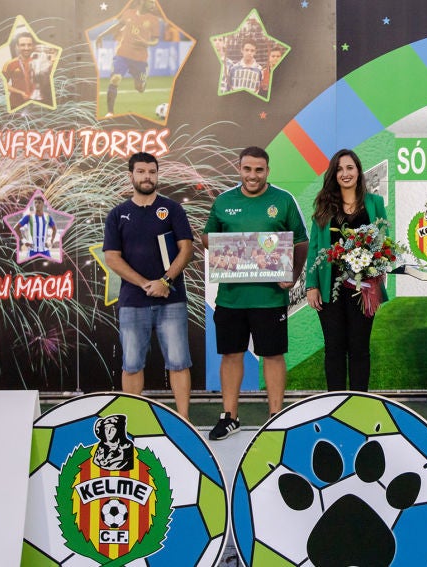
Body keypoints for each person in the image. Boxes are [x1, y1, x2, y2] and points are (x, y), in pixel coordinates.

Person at [203, 146, 309, 440]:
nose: (252, 175)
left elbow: (300, 242)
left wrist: (293, 274)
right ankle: (229, 416)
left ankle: (275, 417)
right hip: (231, 297)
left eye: (258, 170)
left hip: (269, 298)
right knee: (231, 354)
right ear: (239, 169)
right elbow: (206, 238)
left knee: (273, 355)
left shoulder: (283, 200)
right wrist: (233, 252)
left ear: (267, 171)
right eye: (247, 169)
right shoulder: (224, 201)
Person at [103, 152, 194, 420]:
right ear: (130, 175)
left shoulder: (172, 209)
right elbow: (112, 257)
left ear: (157, 174)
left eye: (152, 172)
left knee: (179, 363)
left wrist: (165, 281)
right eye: (141, 172)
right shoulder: (118, 214)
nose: (147, 177)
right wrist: (146, 284)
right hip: (133, 300)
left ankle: (185, 420)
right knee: (131, 365)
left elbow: (186, 249)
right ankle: (131, 421)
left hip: (172, 299)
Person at [306, 149, 387, 392]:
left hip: (364, 287)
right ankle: (336, 404)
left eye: (350, 168)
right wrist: (312, 285)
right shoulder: (323, 206)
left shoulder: (374, 203)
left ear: (358, 171)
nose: (345, 173)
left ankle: (359, 403)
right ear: (334, 174)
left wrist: (377, 266)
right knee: (334, 347)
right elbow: (313, 248)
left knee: (360, 347)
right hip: (331, 287)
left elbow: (384, 241)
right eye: (339, 169)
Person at [96, 0, 162, 117]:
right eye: (151, 2)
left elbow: (156, 40)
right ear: (142, 2)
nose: (153, 5)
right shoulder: (128, 13)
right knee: (115, 79)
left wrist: (145, 42)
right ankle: (110, 112)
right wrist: (101, 35)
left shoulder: (154, 20)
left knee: (140, 88)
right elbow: (118, 26)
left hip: (140, 59)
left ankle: (142, 81)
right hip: (122, 55)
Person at [2, 32, 39, 109]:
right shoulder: (9, 64)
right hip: (15, 104)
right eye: (22, 45)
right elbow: (2, 84)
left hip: (35, 104)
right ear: (17, 46)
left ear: (33, 46)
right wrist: (20, 93)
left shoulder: (38, 63)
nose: (26, 48)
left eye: (29, 45)